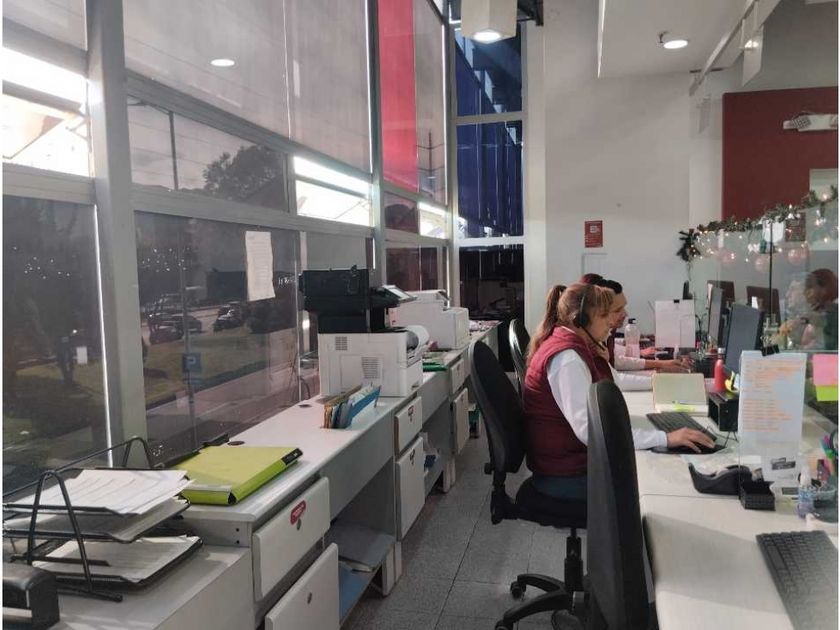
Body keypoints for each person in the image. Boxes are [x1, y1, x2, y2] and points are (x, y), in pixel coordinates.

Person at [522, 283, 714, 500]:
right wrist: (666, 438)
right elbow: (589, 431)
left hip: (569, 464)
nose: (610, 323)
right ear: (580, 320)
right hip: (564, 475)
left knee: (658, 470)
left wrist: (658, 386)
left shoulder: (571, 344)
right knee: (658, 484)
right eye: (604, 315)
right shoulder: (568, 359)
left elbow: (612, 386)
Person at [579, 274, 686, 372]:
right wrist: (657, 373)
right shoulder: (578, 352)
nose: (625, 314)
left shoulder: (596, 338)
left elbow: (614, 364)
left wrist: (660, 365)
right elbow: (614, 375)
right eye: (617, 310)